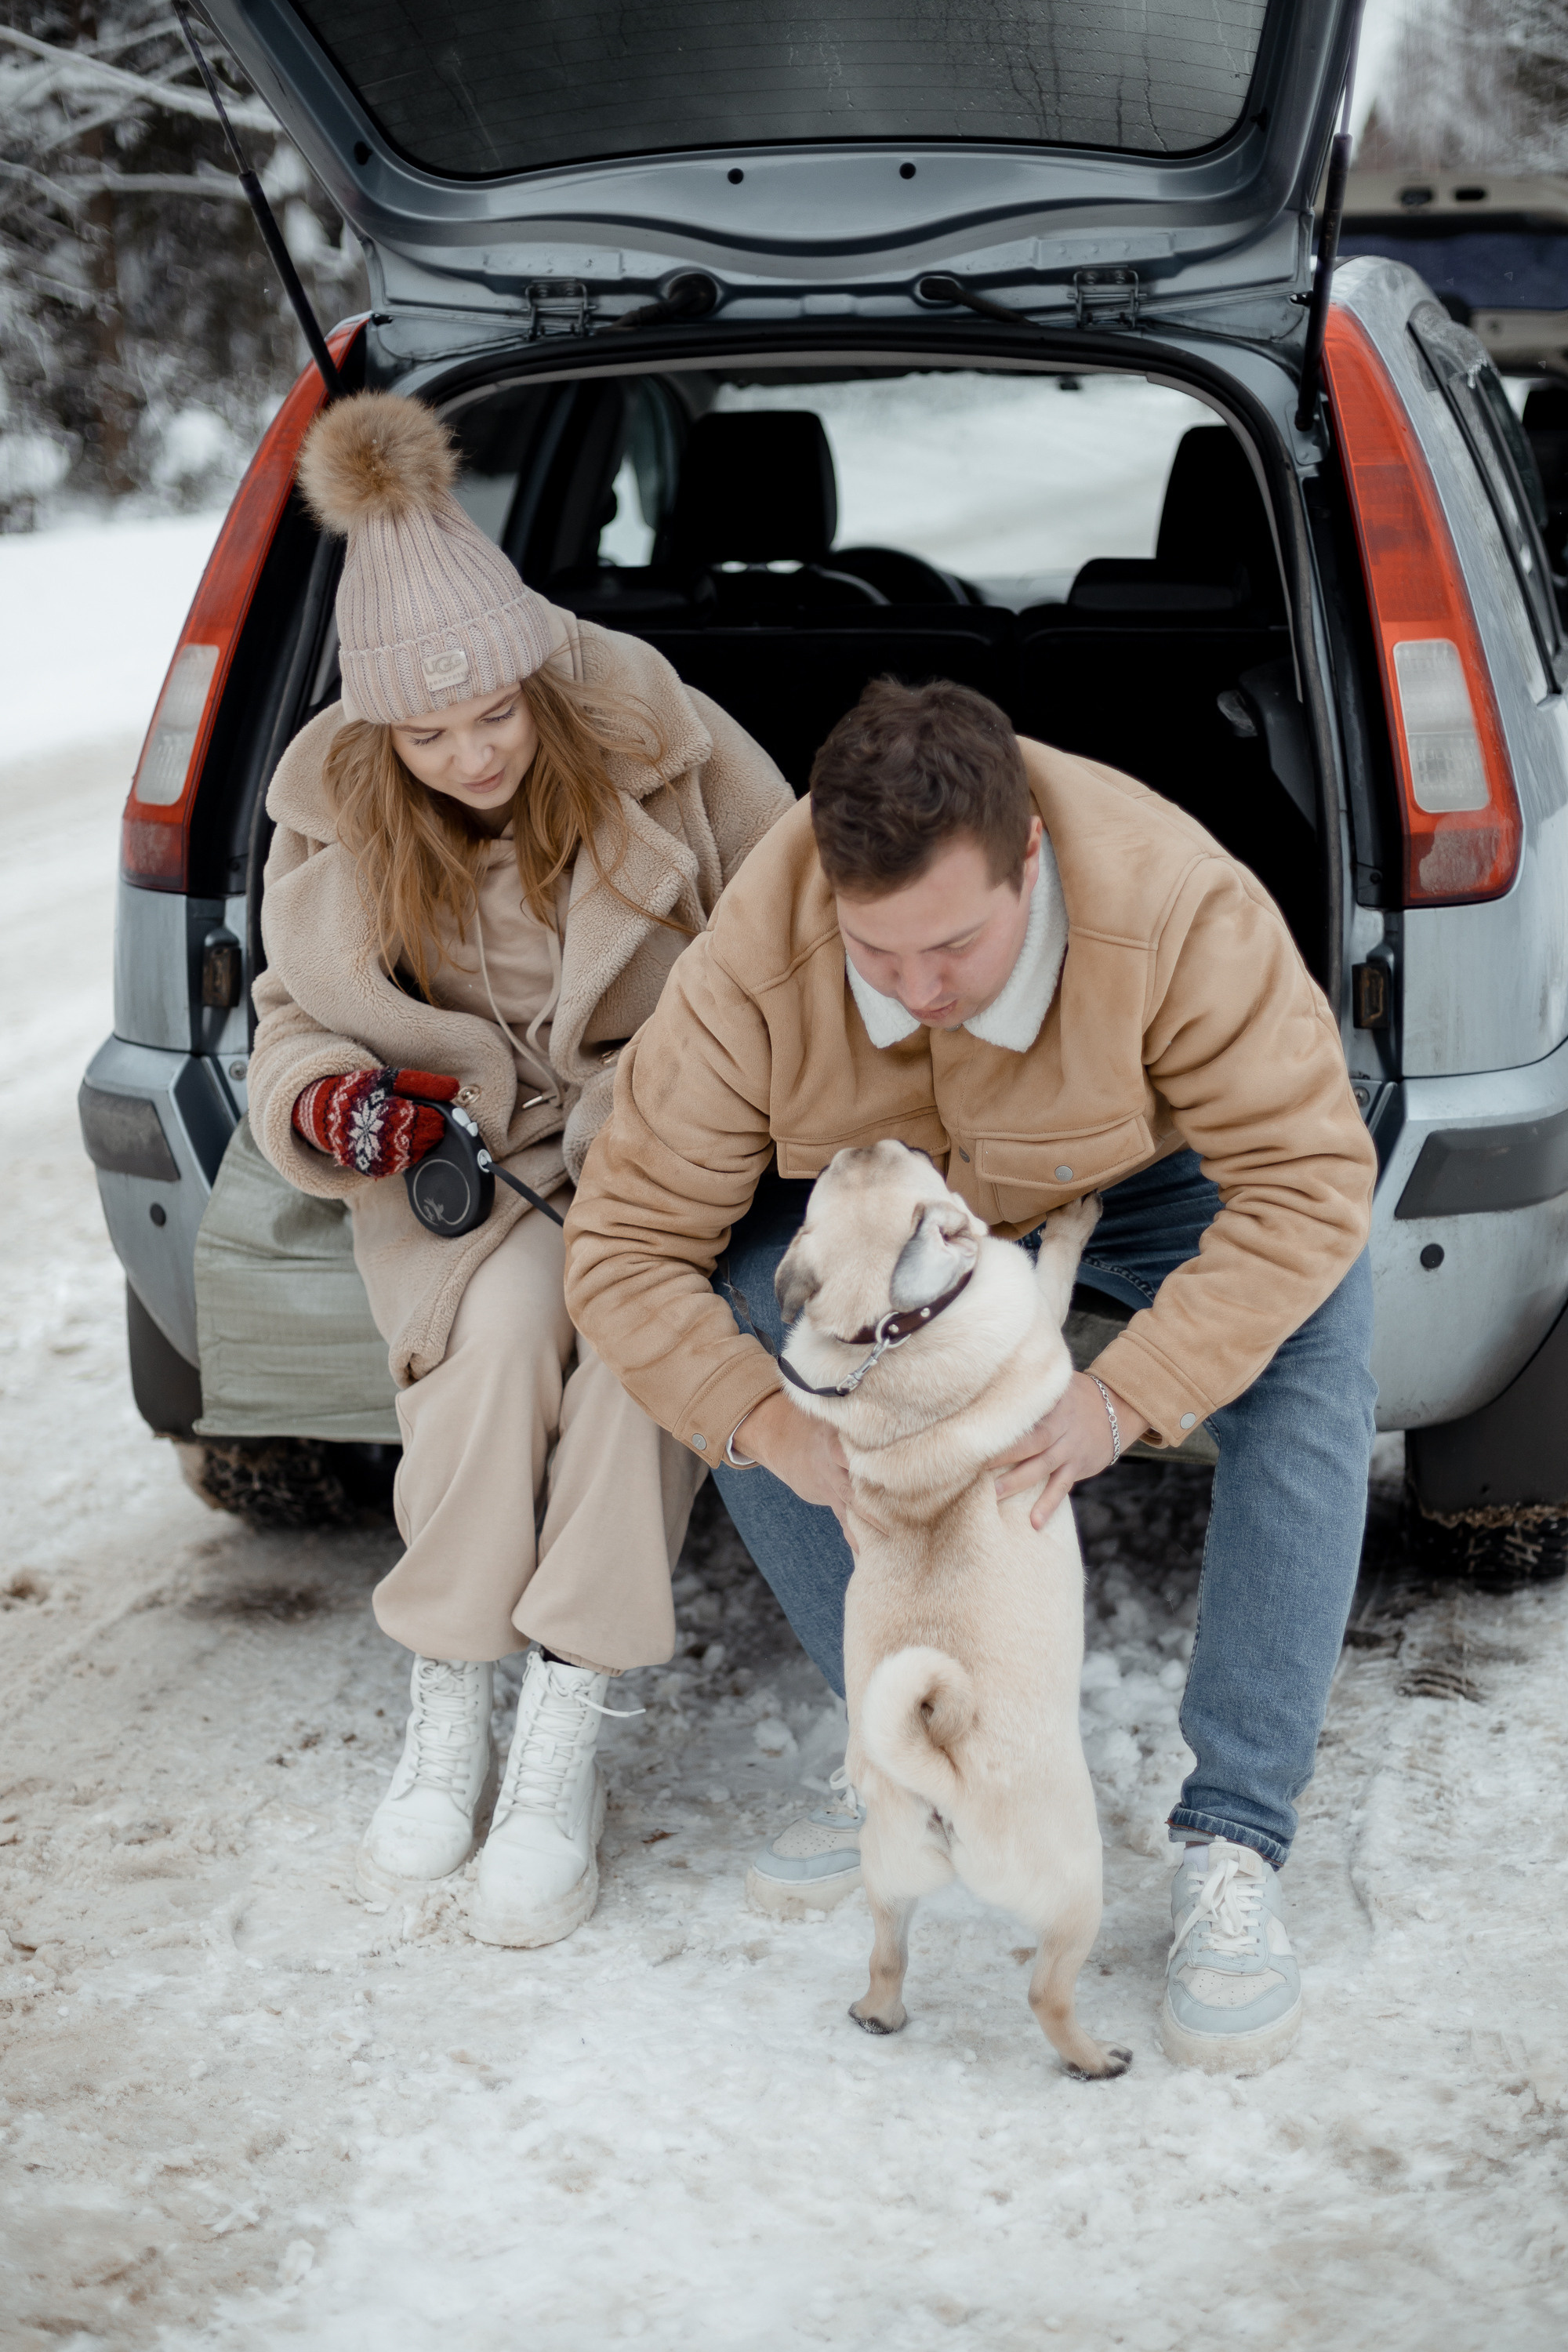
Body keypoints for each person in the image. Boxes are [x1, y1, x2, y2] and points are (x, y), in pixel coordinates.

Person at [564, 676, 1378, 2072]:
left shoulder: (1175, 904)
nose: (921, 992)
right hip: (888, 1215)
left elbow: (1309, 1183)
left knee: (1314, 1336)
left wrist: (1128, 1391)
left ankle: (1234, 1838)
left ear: (1031, 864)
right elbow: (626, 1247)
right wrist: (769, 1420)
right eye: (879, 958)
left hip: (1124, 1183)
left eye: (955, 947)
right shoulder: (761, 954)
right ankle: (904, 1764)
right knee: (751, 1326)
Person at [247, 391, 793, 1949]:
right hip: (469, 1171)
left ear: (538, 678)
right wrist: (341, 1108)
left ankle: (565, 1724)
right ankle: (453, 1689)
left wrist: (713, 1111)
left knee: (632, 1355)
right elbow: (290, 1024)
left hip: (660, 1145)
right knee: (493, 1349)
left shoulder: (657, 746)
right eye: (427, 735)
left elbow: (788, 935)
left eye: (492, 716)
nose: (470, 753)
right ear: (379, 733)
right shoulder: (344, 818)